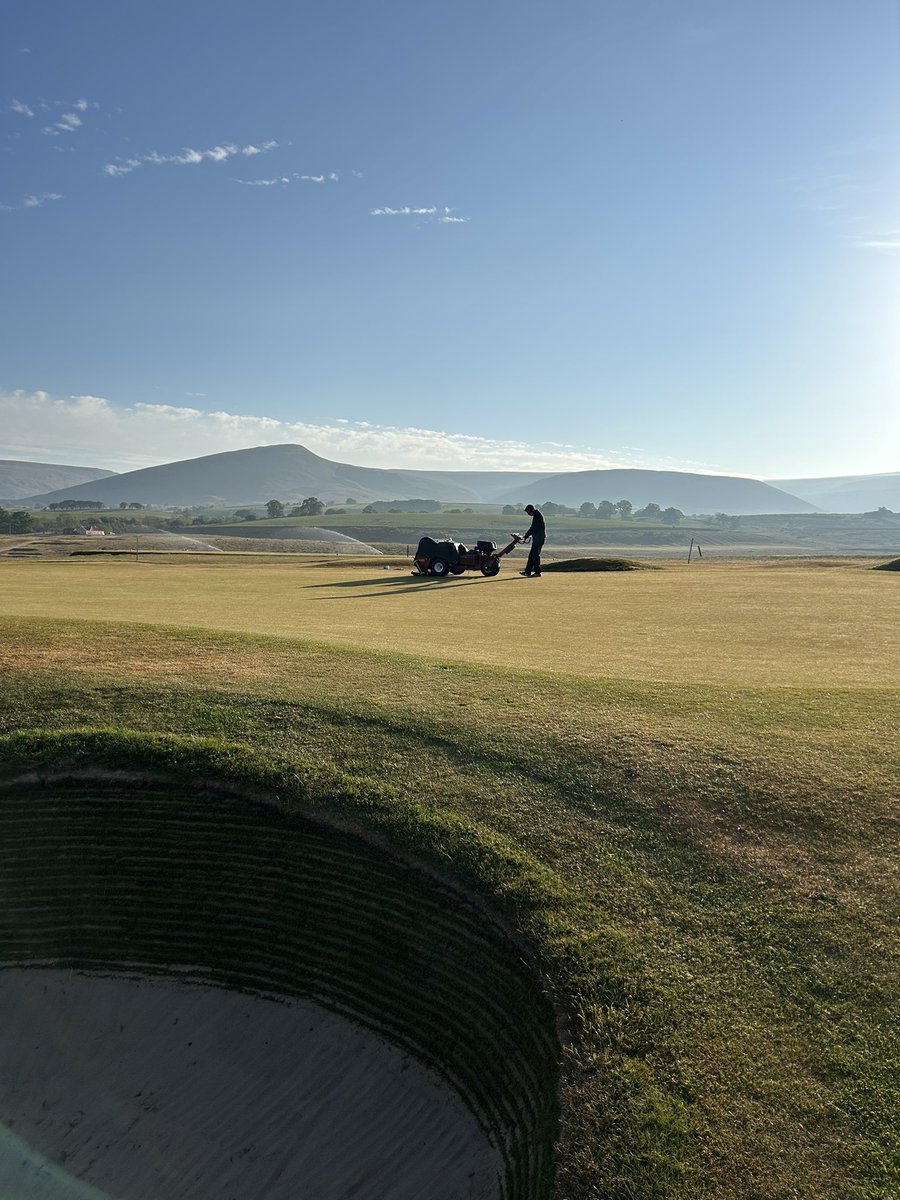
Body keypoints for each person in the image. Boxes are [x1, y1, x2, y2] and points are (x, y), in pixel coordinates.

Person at [520, 504, 545, 577]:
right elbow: (533, 528)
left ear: (531, 510)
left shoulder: (537, 516)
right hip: (538, 538)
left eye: (528, 512)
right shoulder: (536, 515)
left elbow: (533, 528)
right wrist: (526, 535)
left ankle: (537, 572)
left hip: (539, 539)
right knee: (531, 555)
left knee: (535, 555)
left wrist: (526, 536)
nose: (528, 514)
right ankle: (527, 572)